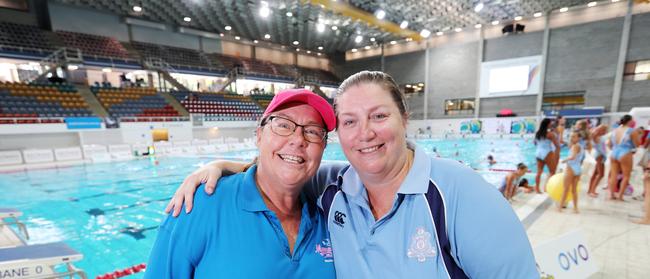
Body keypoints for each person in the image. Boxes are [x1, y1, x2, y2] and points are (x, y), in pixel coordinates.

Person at [166, 71, 539, 278]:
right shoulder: (330, 187)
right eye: (349, 121)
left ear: (404, 120)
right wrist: (218, 167)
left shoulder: (461, 195)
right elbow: (279, 168)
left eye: (379, 116)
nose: (365, 133)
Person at [145, 89, 337, 278]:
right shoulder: (198, 205)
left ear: (323, 148)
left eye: (312, 131)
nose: (298, 140)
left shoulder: (330, 215)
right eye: (283, 125)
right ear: (259, 135)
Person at [607, 115, 641, 201]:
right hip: (625, 152)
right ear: (629, 121)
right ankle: (620, 196)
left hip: (614, 152)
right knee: (626, 176)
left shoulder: (614, 130)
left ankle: (611, 195)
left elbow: (609, 144)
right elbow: (637, 144)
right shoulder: (632, 131)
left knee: (613, 175)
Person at [559, 132, 585, 213]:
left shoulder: (575, 146)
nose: (571, 138)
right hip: (577, 169)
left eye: (573, 136)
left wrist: (564, 160)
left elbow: (572, 157)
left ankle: (559, 207)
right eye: (570, 136)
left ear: (578, 138)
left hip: (570, 169)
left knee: (565, 189)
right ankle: (575, 208)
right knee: (574, 190)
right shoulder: (580, 146)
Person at [534, 118, 560, 193]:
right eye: (550, 123)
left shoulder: (537, 133)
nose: (551, 124)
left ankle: (537, 189)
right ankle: (547, 188)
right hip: (547, 152)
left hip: (538, 152)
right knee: (552, 172)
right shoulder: (550, 134)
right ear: (548, 124)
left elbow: (535, 143)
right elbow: (557, 145)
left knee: (539, 172)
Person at [587, 124, 609, 197]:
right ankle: (592, 190)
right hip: (600, 156)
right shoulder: (596, 136)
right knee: (601, 174)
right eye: (605, 130)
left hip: (599, 155)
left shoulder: (598, 136)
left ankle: (590, 190)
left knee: (595, 174)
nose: (606, 132)